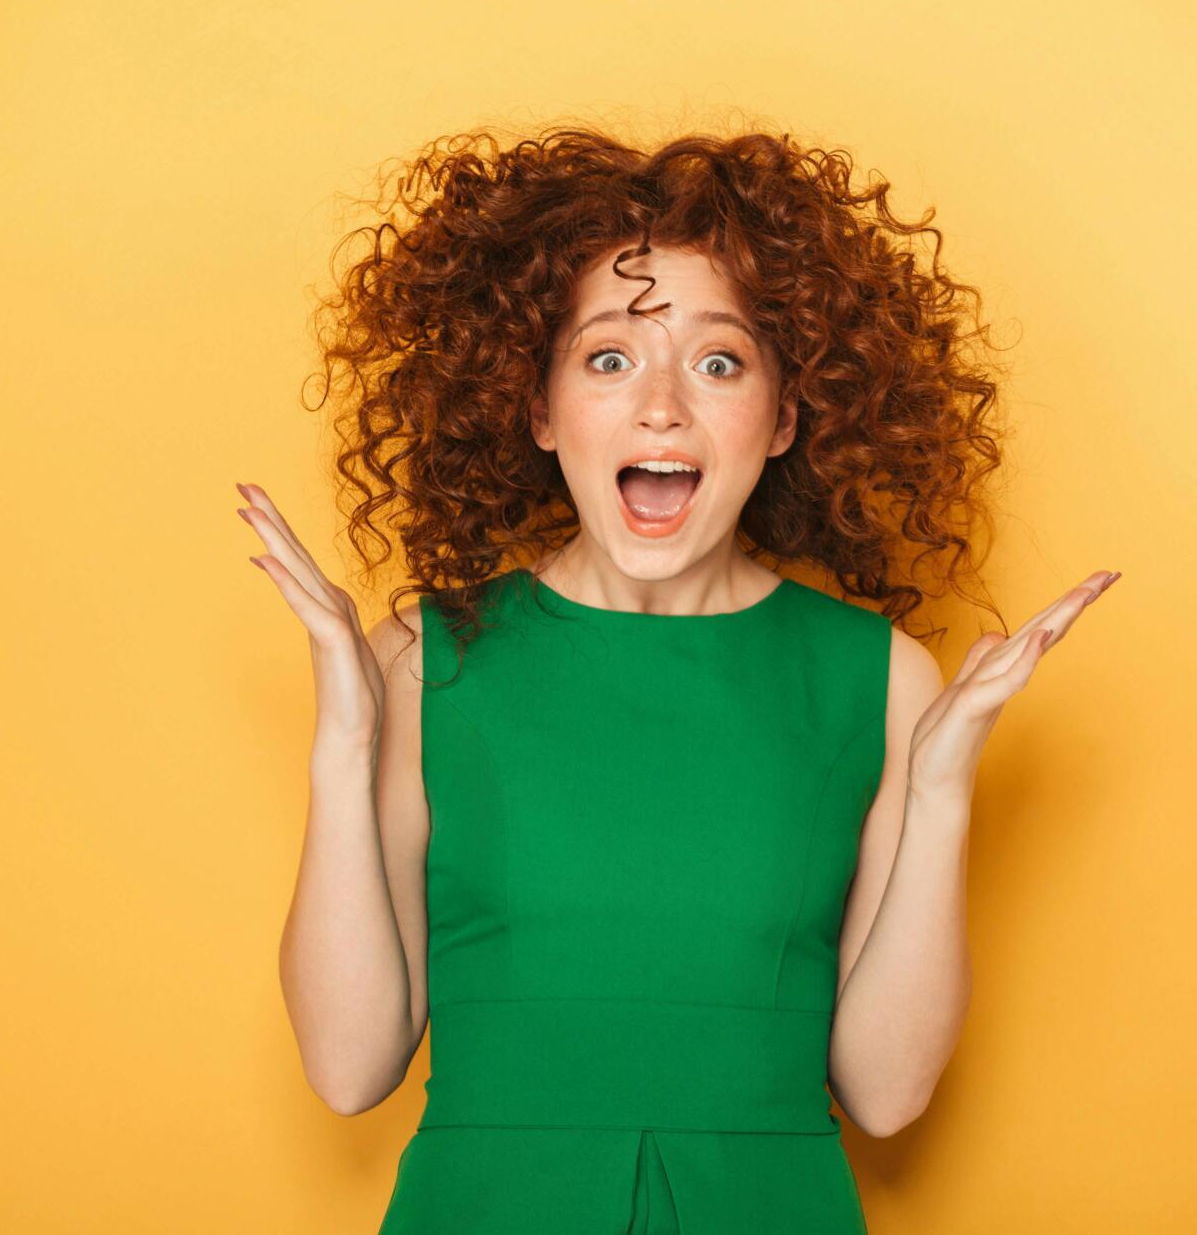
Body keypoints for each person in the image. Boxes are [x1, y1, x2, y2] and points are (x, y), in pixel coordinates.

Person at [238, 126, 1119, 1233]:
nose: (663, 407)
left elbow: (887, 1096)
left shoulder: (881, 680)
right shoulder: (422, 661)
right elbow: (347, 1065)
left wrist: (941, 786)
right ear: (540, 409)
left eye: (719, 361)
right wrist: (342, 741)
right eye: (609, 357)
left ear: (786, 416)